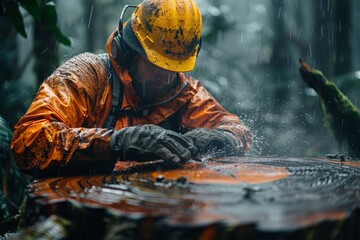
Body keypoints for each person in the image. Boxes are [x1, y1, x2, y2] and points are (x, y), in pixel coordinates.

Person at [11, 0, 252, 177]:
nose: (168, 77)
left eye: (175, 68)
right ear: (129, 50)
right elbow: (28, 142)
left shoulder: (184, 91)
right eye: (158, 65)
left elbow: (238, 131)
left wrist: (220, 137)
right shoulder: (86, 76)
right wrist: (116, 142)